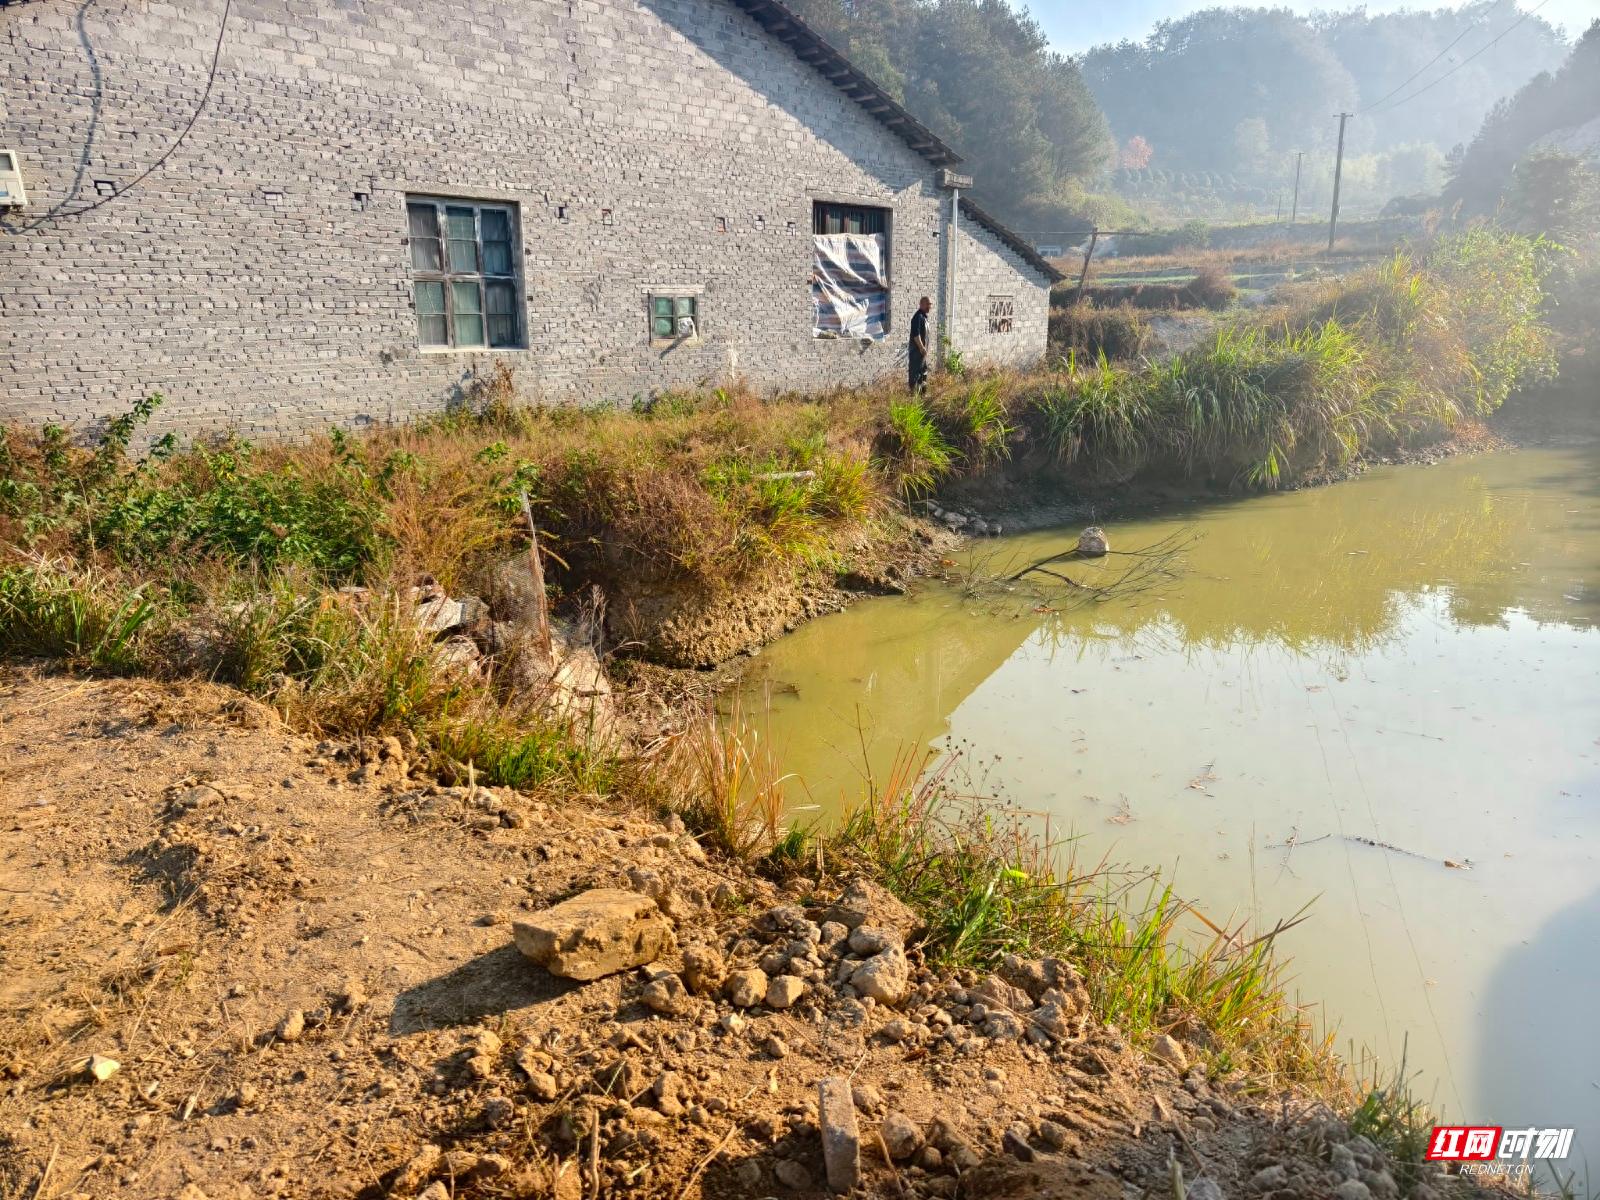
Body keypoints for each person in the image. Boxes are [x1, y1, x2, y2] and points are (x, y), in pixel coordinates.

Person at [908, 295, 931, 392]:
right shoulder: (917, 317)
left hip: (922, 353)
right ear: (921, 304)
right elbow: (916, 335)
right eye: (927, 304)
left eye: (930, 304)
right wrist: (922, 348)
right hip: (916, 353)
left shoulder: (924, 317)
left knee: (923, 373)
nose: (929, 306)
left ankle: (923, 395)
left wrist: (924, 350)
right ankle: (913, 397)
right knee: (915, 375)